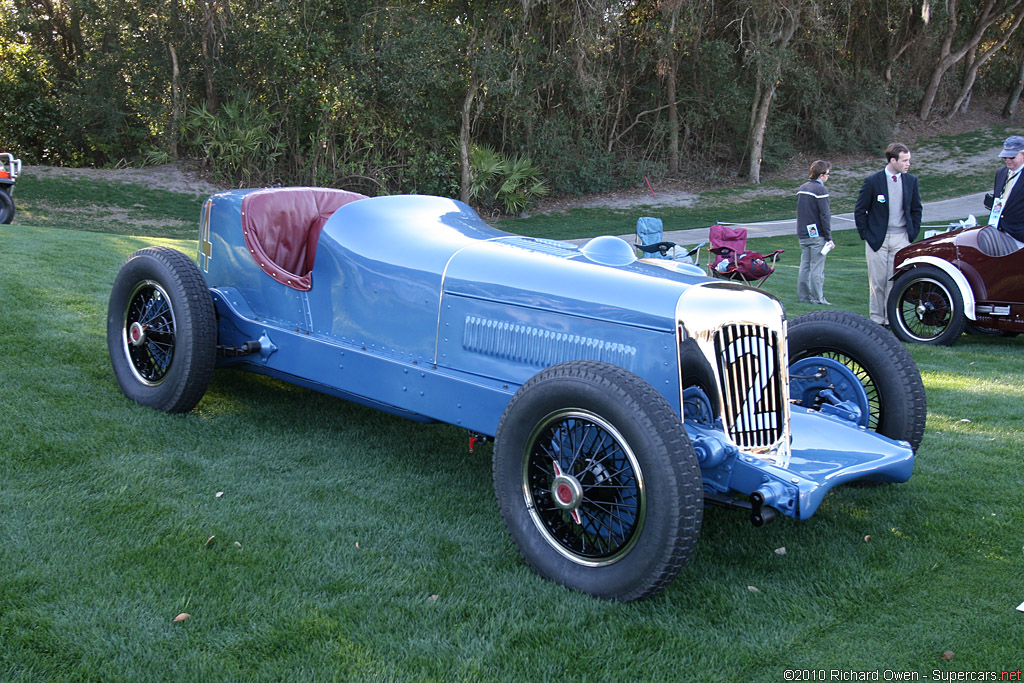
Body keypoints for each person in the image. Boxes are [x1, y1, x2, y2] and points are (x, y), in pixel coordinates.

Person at [854, 142, 923, 326]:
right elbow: (860, 210)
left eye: (909, 160)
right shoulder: (873, 181)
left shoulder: (911, 181)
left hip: (901, 238)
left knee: (896, 282)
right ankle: (877, 320)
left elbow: (916, 209)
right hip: (878, 239)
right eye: (905, 160)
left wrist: (912, 234)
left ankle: (892, 319)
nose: (908, 164)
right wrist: (866, 235)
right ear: (893, 160)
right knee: (877, 282)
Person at [796, 160, 833, 305]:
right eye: (827, 174)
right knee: (817, 268)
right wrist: (828, 237)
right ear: (821, 175)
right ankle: (818, 298)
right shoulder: (820, 190)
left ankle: (803, 297)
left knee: (805, 266)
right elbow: (825, 215)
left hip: (803, 234)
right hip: (816, 235)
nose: (828, 177)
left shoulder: (803, 187)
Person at [988, 135, 1024, 248]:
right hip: (999, 233)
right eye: (1005, 157)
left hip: (1020, 236)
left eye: (1012, 156)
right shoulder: (1001, 173)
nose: (1007, 160)